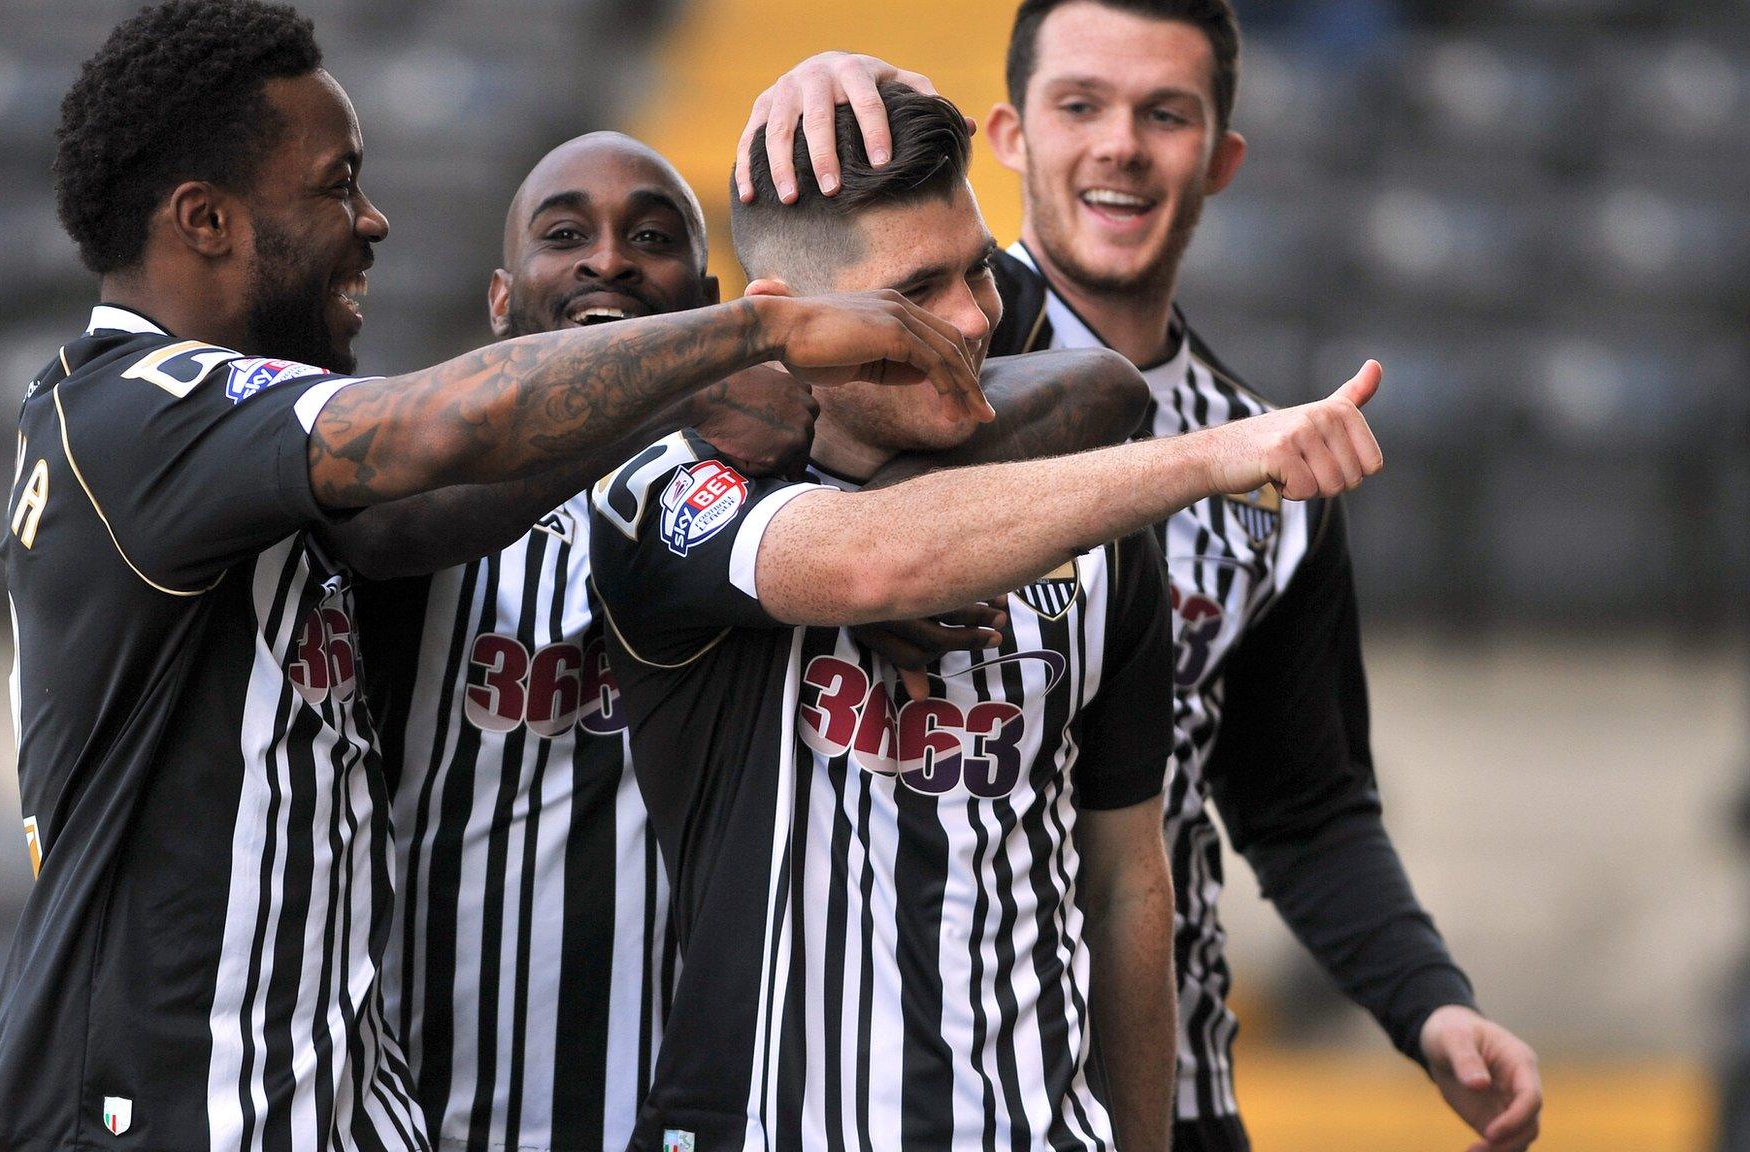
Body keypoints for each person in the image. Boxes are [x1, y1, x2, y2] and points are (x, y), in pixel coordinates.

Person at [0, 2, 998, 1148]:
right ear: (206, 220)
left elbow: (415, 511)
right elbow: (426, 436)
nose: (371, 220)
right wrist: (751, 338)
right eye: (337, 184)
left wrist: (853, 519)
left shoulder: (258, 472)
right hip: (135, 1121)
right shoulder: (133, 410)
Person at [735, 4, 1544, 1151]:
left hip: (1159, 1090)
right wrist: (818, 76)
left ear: (1219, 159)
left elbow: (1303, 806)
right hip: (856, 1086)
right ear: (1009, 134)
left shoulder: (1272, 459)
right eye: (1080, 105)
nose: (1119, 143)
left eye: (1163, 113)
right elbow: (702, 396)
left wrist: (1430, 1002)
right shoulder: (872, 358)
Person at [593, 83, 1385, 1152]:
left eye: (976, 268)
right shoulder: (667, 499)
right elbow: (871, 561)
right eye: (918, 289)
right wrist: (1212, 458)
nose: (973, 315)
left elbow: (1123, 890)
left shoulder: (1093, 527)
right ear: (798, 316)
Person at [336, 131, 1152, 1152]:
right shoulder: (440, 511)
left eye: (650, 235)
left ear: (721, 297)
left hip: (698, 1108)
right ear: (500, 302)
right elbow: (373, 527)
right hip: (439, 1109)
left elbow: (1100, 385)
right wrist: (676, 398)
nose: (608, 259)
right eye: (563, 235)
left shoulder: (778, 499)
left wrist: (877, 525)